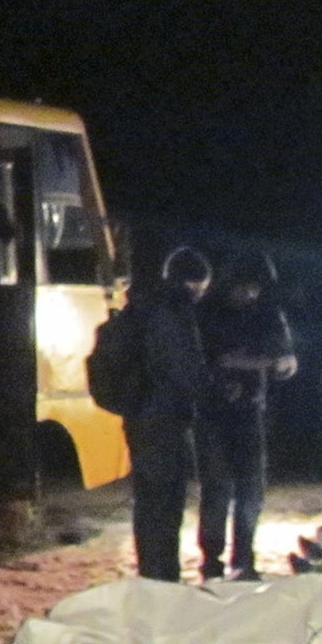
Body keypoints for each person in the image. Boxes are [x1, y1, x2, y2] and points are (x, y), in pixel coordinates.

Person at [196, 252, 297, 581]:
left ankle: (243, 558)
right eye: (245, 287)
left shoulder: (267, 314)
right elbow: (214, 360)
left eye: (255, 289)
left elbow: (285, 359)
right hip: (214, 412)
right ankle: (212, 559)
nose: (250, 294)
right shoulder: (209, 313)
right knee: (217, 489)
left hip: (250, 410)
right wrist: (261, 362)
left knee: (250, 489)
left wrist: (272, 361)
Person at [122, 245, 212, 582]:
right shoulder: (174, 311)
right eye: (202, 289)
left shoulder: (142, 305)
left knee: (147, 502)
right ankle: (163, 577)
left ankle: (151, 573)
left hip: (138, 416)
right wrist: (209, 393)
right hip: (165, 419)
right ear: (193, 283)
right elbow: (185, 369)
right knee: (166, 503)